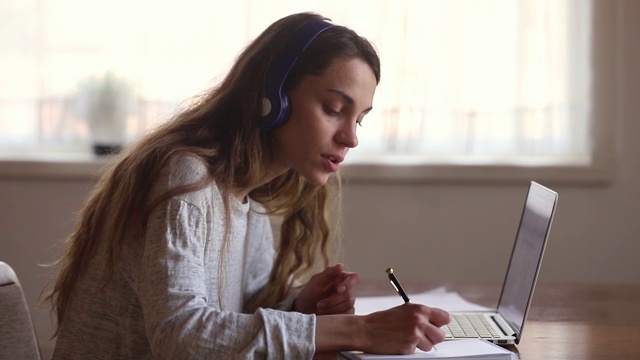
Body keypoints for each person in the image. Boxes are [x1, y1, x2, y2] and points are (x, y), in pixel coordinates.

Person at [45, 12, 450, 359]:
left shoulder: (249, 193)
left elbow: (235, 319)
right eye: (333, 109)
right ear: (273, 96)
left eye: (358, 119)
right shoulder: (186, 177)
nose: (351, 138)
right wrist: (359, 332)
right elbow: (181, 335)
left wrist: (301, 307)